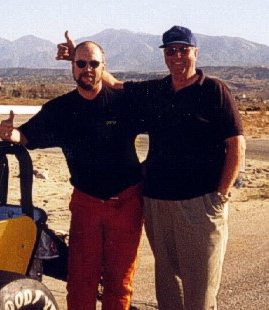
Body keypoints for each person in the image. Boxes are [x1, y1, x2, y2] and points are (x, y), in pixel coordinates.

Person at [57, 26, 246, 310]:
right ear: (165, 56)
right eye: (171, 51)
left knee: (201, 293)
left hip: (201, 204)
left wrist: (221, 195)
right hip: (157, 204)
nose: (177, 56)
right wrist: (80, 58)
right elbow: (114, 83)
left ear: (195, 52)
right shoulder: (157, 90)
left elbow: (236, 144)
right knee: (168, 288)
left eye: (184, 50)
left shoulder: (214, 90)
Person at [0, 41, 144, 310]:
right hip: (86, 203)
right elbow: (28, 135)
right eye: (81, 64)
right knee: (80, 280)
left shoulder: (125, 103)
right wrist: (11, 134)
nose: (87, 69)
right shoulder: (61, 109)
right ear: (72, 68)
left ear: (104, 67)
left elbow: (165, 126)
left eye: (93, 64)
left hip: (126, 202)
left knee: (119, 282)